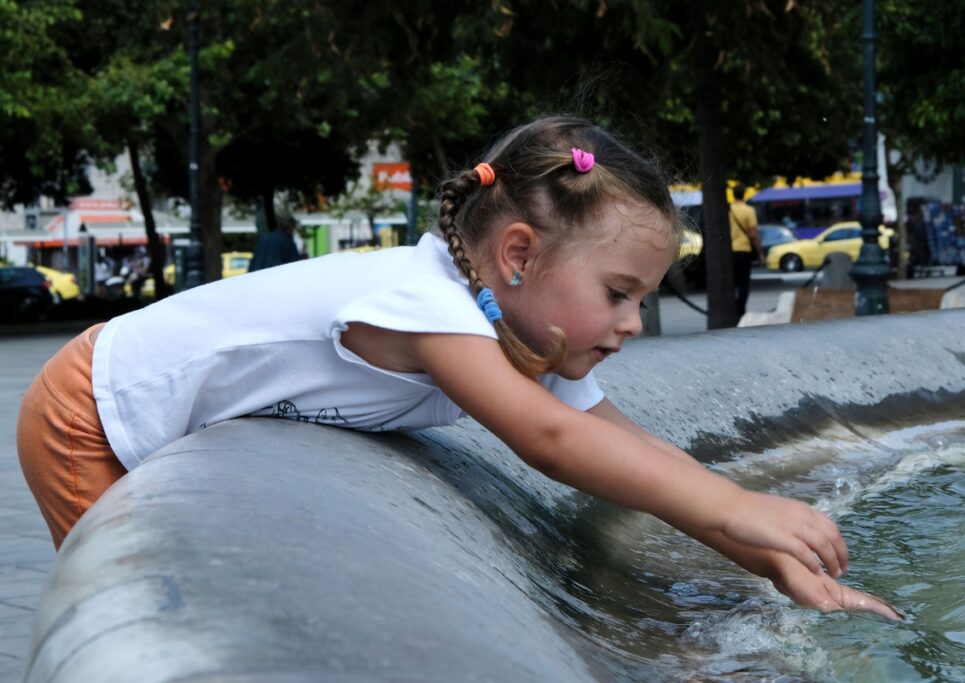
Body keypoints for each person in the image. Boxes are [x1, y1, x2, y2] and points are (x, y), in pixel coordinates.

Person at [17, 116, 898, 619]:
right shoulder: (428, 306)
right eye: (621, 291)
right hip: (90, 407)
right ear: (518, 252)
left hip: (130, 396)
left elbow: (637, 456)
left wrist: (761, 552)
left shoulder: (508, 329)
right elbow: (553, 442)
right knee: (147, 616)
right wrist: (747, 503)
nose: (634, 322)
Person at [729, 183, 764, 320]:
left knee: (732, 281)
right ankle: (740, 309)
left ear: (733, 194)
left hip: (731, 251)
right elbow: (754, 234)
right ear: (744, 194)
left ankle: (732, 308)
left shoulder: (729, 210)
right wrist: (760, 253)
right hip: (744, 250)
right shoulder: (749, 211)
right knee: (744, 283)